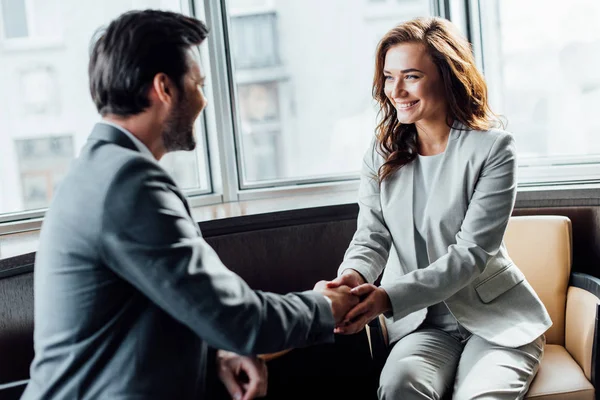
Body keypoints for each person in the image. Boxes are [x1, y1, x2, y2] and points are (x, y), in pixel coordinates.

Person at [20, 10, 358, 400]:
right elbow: (234, 316)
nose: (203, 100)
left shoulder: (103, 168)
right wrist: (324, 306)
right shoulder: (127, 183)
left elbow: (162, 301)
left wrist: (216, 353)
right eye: (198, 83)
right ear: (164, 88)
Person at [326, 16, 552, 399]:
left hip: (495, 321)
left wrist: (387, 297)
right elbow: (372, 235)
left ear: (447, 78)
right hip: (422, 325)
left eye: (411, 76)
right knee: (400, 386)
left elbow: (471, 254)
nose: (395, 90)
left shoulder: (493, 149)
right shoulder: (380, 155)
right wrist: (350, 277)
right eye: (388, 76)